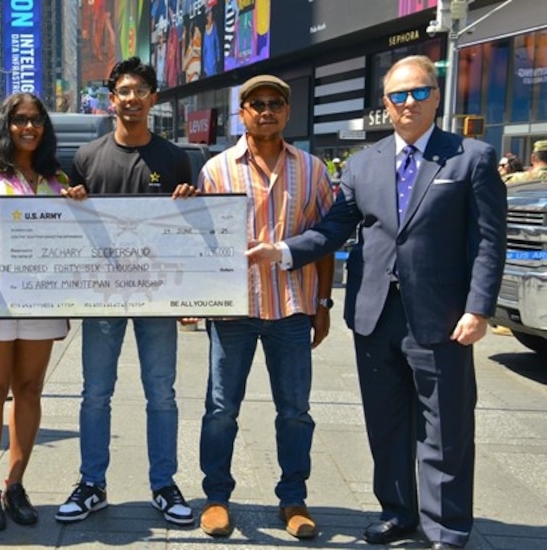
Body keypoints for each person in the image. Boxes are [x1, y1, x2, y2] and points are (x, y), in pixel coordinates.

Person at [246, 56, 506, 550]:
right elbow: (333, 228)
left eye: (418, 92)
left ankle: (446, 529)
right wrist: (281, 251)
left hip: (443, 318)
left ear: (436, 94)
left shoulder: (471, 158)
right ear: (385, 103)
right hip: (374, 315)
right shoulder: (364, 163)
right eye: (398, 95)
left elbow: (490, 242)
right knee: (386, 425)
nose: (408, 103)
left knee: (445, 429)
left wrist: (479, 307)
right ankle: (397, 513)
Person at [55, 57, 197, 526]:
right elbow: (71, 231)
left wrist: (190, 207)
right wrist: (71, 202)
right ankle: (91, 483)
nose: (132, 99)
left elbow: (193, 231)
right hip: (102, 295)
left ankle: (164, 483)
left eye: (141, 91)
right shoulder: (86, 158)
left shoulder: (176, 157)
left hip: (158, 293)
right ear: (111, 100)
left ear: (153, 98)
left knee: (162, 393)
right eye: (124, 91)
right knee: (95, 392)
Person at [196, 75, 335, 540]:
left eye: (275, 103)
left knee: (294, 409)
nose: (266, 110)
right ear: (243, 113)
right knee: (220, 409)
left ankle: (293, 499)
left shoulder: (313, 169)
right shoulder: (217, 170)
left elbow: (326, 241)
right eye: (256, 103)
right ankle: (216, 497)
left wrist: (323, 303)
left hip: (292, 307)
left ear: (288, 111)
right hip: (232, 309)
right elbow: (201, 239)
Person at [0, 92, 78, 531]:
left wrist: (79, 204)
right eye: (20, 119)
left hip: (41, 302)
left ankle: (15, 484)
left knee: (29, 390)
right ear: (5, 124)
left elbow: (75, 237)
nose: (29, 127)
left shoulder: (56, 176)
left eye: (36, 120)